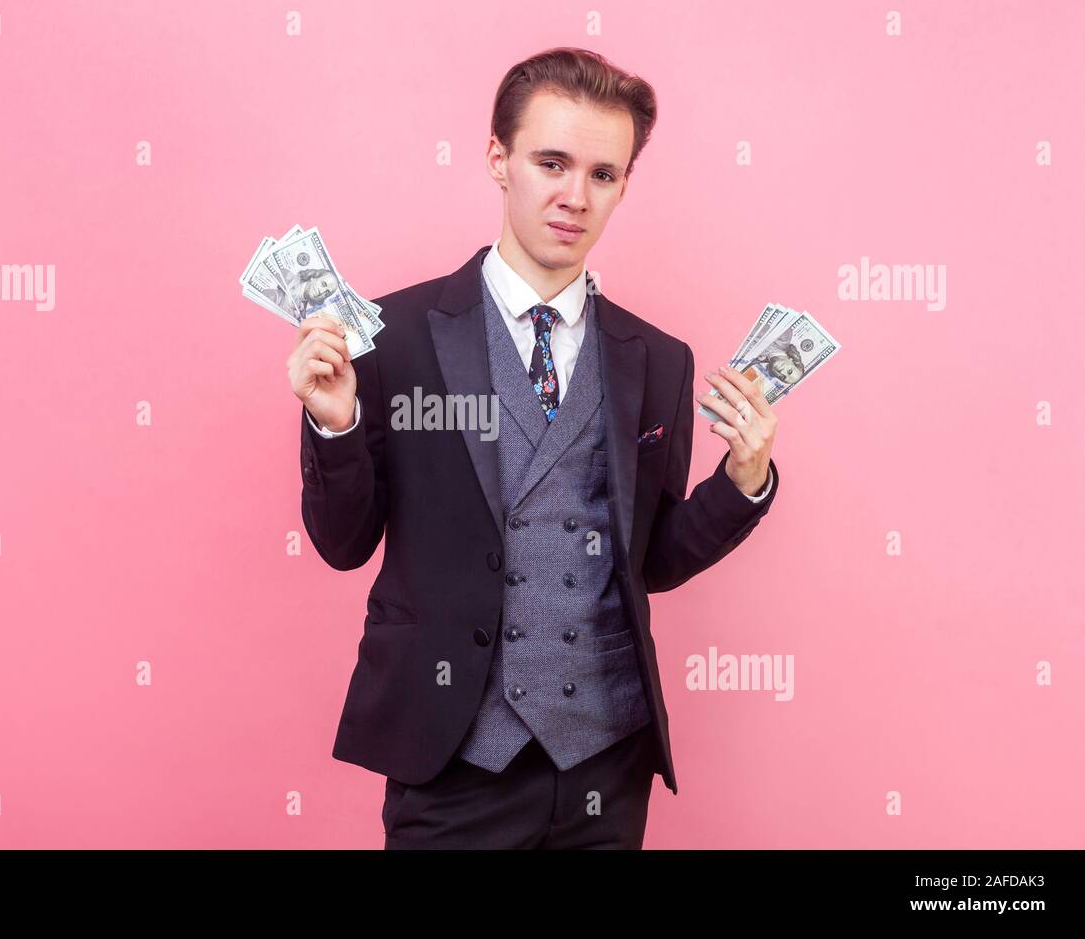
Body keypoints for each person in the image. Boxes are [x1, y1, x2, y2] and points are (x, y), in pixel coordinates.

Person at [285, 47, 781, 849]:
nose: (573, 197)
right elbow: (344, 545)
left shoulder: (657, 359)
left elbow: (652, 560)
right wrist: (335, 425)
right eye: (551, 162)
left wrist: (744, 479)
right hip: (450, 762)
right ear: (497, 159)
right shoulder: (392, 338)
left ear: (623, 187)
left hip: (604, 764)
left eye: (603, 175)